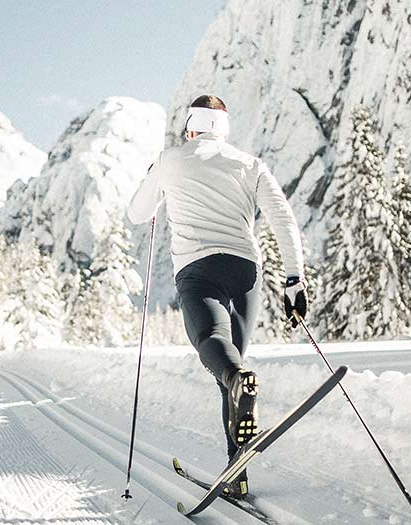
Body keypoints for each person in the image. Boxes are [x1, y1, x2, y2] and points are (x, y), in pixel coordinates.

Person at [126, 94, 308, 499]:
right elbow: (282, 218)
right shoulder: (249, 164)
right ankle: (236, 471)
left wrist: (154, 176)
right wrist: (294, 279)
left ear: (191, 126)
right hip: (245, 271)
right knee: (234, 368)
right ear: (224, 128)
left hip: (199, 270)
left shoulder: (170, 159)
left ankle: (236, 396)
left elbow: (137, 213)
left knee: (216, 350)